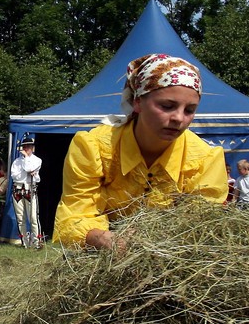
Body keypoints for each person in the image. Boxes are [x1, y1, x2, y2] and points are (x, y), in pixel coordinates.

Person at [53, 53, 228, 250]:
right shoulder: (93, 147)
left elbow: (201, 226)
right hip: (99, 259)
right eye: (167, 106)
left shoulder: (205, 160)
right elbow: (73, 217)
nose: (179, 118)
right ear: (137, 102)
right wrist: (101, 238)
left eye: (189, 110)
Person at [11, 136, 43, 249]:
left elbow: (29, 169)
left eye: (29, 147)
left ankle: (36, 242)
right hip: (18, 189)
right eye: (25, 147)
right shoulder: (16, 161)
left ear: (32, 148)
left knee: (33, 217)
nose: (26, 148)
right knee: (21, 218)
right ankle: (24, 242)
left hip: (30, 189)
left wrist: (26, 159)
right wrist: (28, 171)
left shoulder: (37, 160)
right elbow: (14, 175)